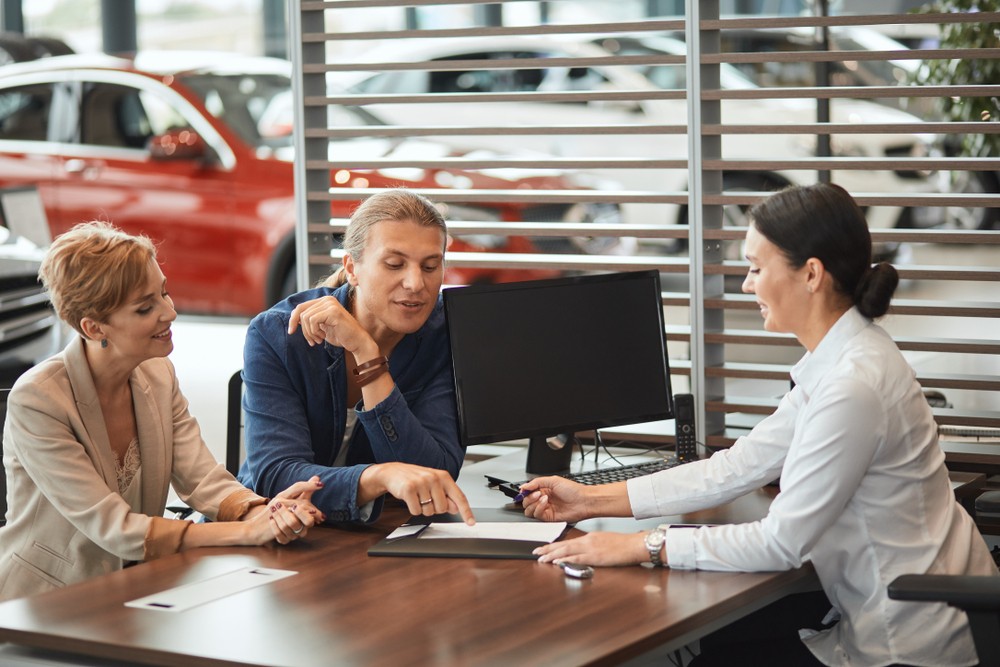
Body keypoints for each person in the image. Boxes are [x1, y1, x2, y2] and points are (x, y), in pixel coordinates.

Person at [520, 183, 997, 666]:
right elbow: (737, 466)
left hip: (909, 642)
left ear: (810, 274)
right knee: (721, 642)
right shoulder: (842, 359)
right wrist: (589, 500)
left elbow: (780, 543)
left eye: (755, 268)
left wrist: (640, 545)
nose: (747, 284)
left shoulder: (852, 385)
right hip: (892, 608)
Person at [0, 222, 325, 602]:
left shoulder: (158, 372)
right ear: (93, 327)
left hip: (134, 588)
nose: (169, 312)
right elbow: (115, 529)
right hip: (43, 603)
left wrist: (263, 512)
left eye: (164, 293)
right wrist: (247, 531)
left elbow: (202, 478)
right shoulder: (38, 400)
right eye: (145, 307)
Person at [238, 189, 473, 525]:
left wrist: (367, 354)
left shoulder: (444, 337)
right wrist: (379, 478)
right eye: (394, 264)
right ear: (352, 268)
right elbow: (275, 475)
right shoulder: (278, 334)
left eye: (431, 266)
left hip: (383, 537)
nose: (415, 283)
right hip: (278, 532)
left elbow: (435, 474)